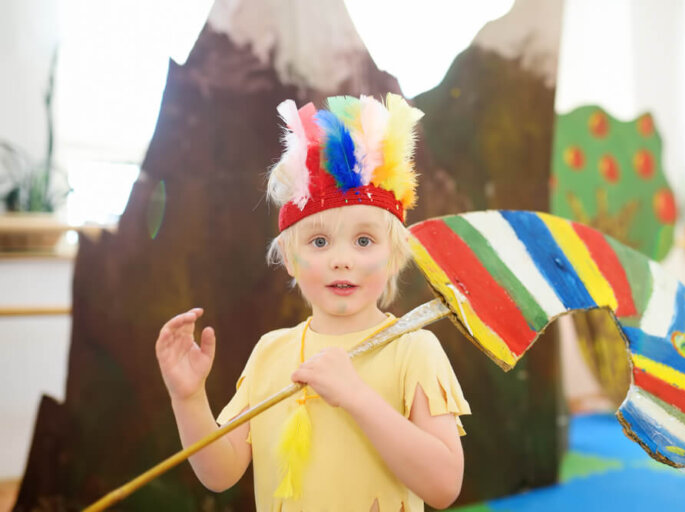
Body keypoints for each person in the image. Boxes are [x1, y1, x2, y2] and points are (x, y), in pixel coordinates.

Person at [155, 94, 471, 511]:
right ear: (290, 258)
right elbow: (220, 473)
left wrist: (356, 396)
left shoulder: (413, 349)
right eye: (319, 242)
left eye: (364, 240)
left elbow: (444, 486)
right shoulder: (270, 352)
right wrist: (189, 398)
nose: (341, 259)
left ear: (395, 256)